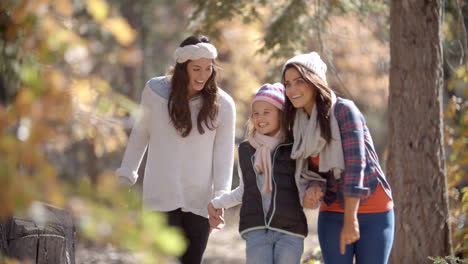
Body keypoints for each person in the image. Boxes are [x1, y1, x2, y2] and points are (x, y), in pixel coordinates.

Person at [116, 35, 236, 264]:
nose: (203, 75)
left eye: (208, 68)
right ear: (183, 68)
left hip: (199, 202)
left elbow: (223, 156)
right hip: (160, 197)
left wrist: (221, 198)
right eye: (196, 69)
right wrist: (126, 176)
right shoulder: (154, 91)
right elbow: (140, 134)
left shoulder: (224, 105)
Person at [281, 52, 395, 264]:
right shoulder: (297, 124)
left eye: (299, 82)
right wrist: (313, 188)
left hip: (372, 210)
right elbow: (313, 172)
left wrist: (351, 218)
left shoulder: (344, 110)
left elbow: (355, 166)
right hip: (332, 211)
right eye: (287, 84)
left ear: (315, 81)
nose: (292, 90)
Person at [207, 83, 308, 264]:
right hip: (256, 229)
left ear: (282, 114)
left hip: (290, 230)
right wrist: (217, 203)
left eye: (266, 112)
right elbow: (245, 191)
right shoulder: (246, 150)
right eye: (256, 113)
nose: (260, 117)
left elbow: (305, 183)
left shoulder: (294, 148)